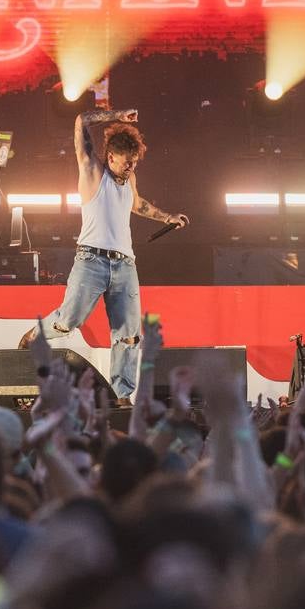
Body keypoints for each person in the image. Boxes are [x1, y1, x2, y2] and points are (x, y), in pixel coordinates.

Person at [16, 108, 189, 402]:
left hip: (125, 265)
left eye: (134, 164)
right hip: (91, 261)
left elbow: (137, 204)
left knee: (128, 334)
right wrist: (118, 115)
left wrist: (168, 217)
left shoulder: (128, 179)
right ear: (110, 158)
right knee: (68, 320)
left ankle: (122, 397)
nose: (130, 169)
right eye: (125, 164)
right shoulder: (92, 172)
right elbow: (81, 121)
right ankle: (34, 336)